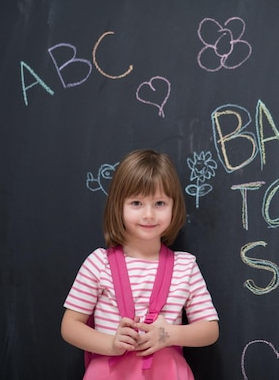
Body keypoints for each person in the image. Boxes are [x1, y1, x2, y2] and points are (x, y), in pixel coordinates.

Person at [61, 149, 219, 379]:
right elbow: (70, 326)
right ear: (119, 206)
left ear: (174, 207)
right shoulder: (98, 264)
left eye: (159, 203)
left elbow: (210, 330)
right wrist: (111, 343)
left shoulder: (186, 266)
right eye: (136, 203)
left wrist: (168, 335)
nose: (148, 215)